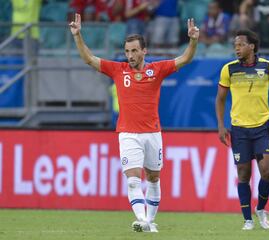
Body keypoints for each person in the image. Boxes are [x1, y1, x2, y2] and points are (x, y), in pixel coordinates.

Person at [69, 13, 199, 232]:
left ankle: (150, 220)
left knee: (154, 178)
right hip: (128, 133)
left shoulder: (156, 70)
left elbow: (184, 59)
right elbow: (89, 59)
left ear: (144, 51)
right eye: (127, 51)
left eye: (134, 50)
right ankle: (143, 220)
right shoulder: (118, 70)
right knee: (132, 180)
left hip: (153, 133)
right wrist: (77, 35)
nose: (130, 55)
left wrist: (193, 40)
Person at [215, 30, 269, 230]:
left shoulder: (268, 67)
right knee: (243, 174)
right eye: (235, 45)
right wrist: (221, 125)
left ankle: (261, 209)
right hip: (239, 129)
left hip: (263, 127)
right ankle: (247, 219)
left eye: (240, 45)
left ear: (252, 46)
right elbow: (220, 99)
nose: (236, 49)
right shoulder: (229, 70)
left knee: (266, 170)